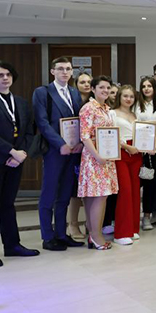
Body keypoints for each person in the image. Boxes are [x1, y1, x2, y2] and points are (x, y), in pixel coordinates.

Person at [0, 61, 39, 267]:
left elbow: (29, 130)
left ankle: (12, 245)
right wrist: (11, 151)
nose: (5, 78)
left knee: (8, 204)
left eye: (8, 74)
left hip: (16, 161)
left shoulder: (20, 102)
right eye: (0, 75)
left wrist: (22, 153)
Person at [33, 56, 84, 251]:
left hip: (73, 150)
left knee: (65, 194)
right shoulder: (43, 92)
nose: (65, 72)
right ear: (52, 71)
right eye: (60, 68)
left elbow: (79, 120)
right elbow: (42, 122)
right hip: (55, 150)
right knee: (49, 193)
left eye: (68, 69)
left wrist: (80, 142)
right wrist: (60, 143)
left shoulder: (74, 92)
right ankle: (48, 237)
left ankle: (62, 234)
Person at [78, 75, 119, 250]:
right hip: (94, 158)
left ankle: (92, 234)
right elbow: (85, 136)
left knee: (96, 196)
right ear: (93, 89)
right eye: (101, 87)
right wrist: (97, 156)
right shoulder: (89, 108)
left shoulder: (106, 108)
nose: (105, 90)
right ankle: (96, 235)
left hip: (106, 157)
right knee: (99, 196)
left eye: (108, 88)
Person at [109, 85, 143, 245]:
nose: (128, 99)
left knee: (135, 191)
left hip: (136, 154)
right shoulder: (112, 113)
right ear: (119, 97)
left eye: (131, 96)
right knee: (125, 191)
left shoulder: (135, 114)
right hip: (121, 153)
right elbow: (110, 135)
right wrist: (126, 147)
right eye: (125, 96)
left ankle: (133, 228)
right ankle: (121, 233)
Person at [67, 70, 94, 240]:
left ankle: (91, 224)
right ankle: (73, 224)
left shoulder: (95, 102)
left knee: (90, 191)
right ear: (76, 85)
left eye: (89, 82)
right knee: (74, 190)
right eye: (82, 82)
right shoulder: (71, 102)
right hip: (74, 150)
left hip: (91, 152)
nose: (86, 85)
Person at [135, 77, 156, 231]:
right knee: (136, 183)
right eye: (143, 86)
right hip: (137, 149)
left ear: (154, 88)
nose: (146, 89)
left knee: (151, 183)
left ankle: (147, 216)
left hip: (155, 149)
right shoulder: (135, 105)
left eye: (149, 86)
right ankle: (133, 216)